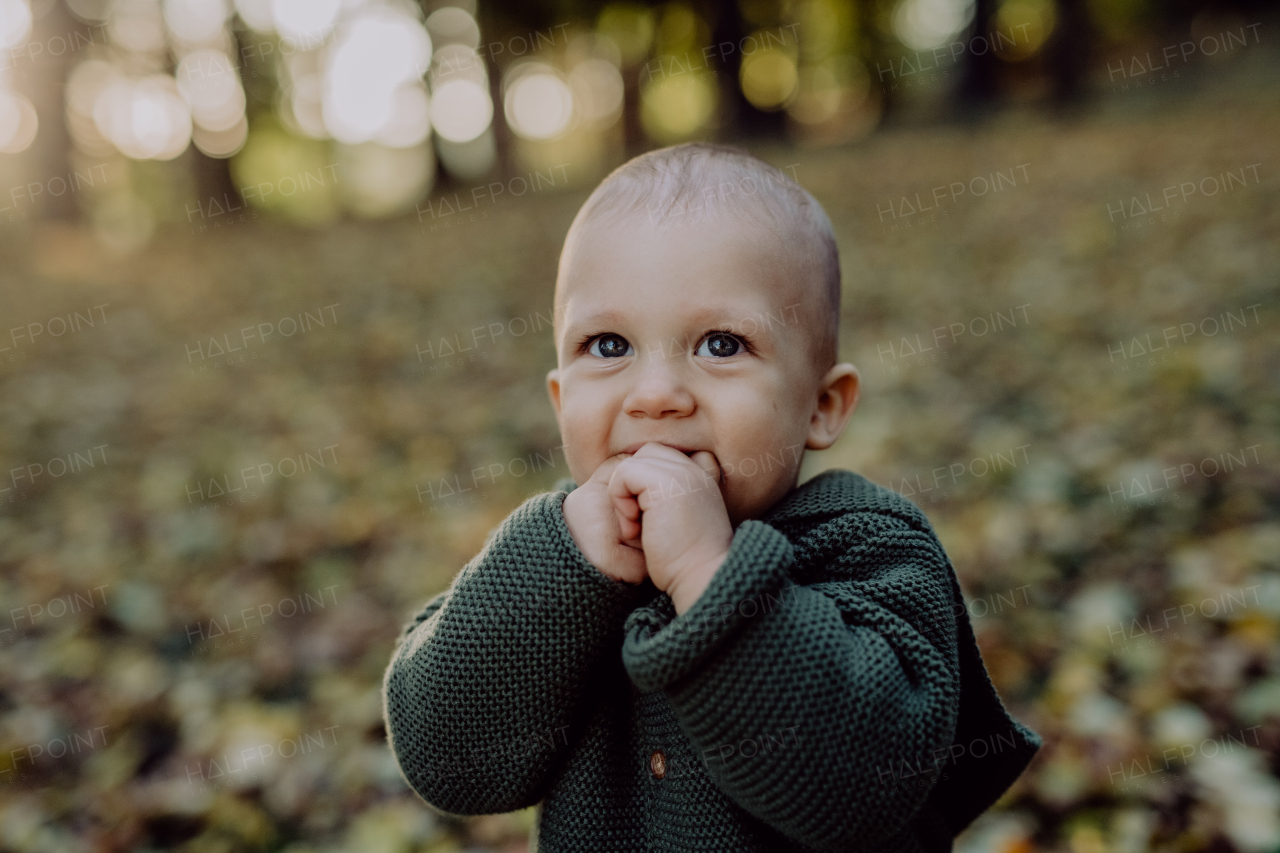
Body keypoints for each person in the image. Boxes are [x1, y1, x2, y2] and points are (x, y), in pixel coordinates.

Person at [382, 142, 1040, 852]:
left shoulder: (868, 547)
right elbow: (447, 760)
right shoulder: (559, 559)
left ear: (821, 405)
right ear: (559, 397)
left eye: (721, 344)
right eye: (608, 346)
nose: (657, 394)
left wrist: (708, 573)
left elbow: (866, 785)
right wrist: (562, 564)